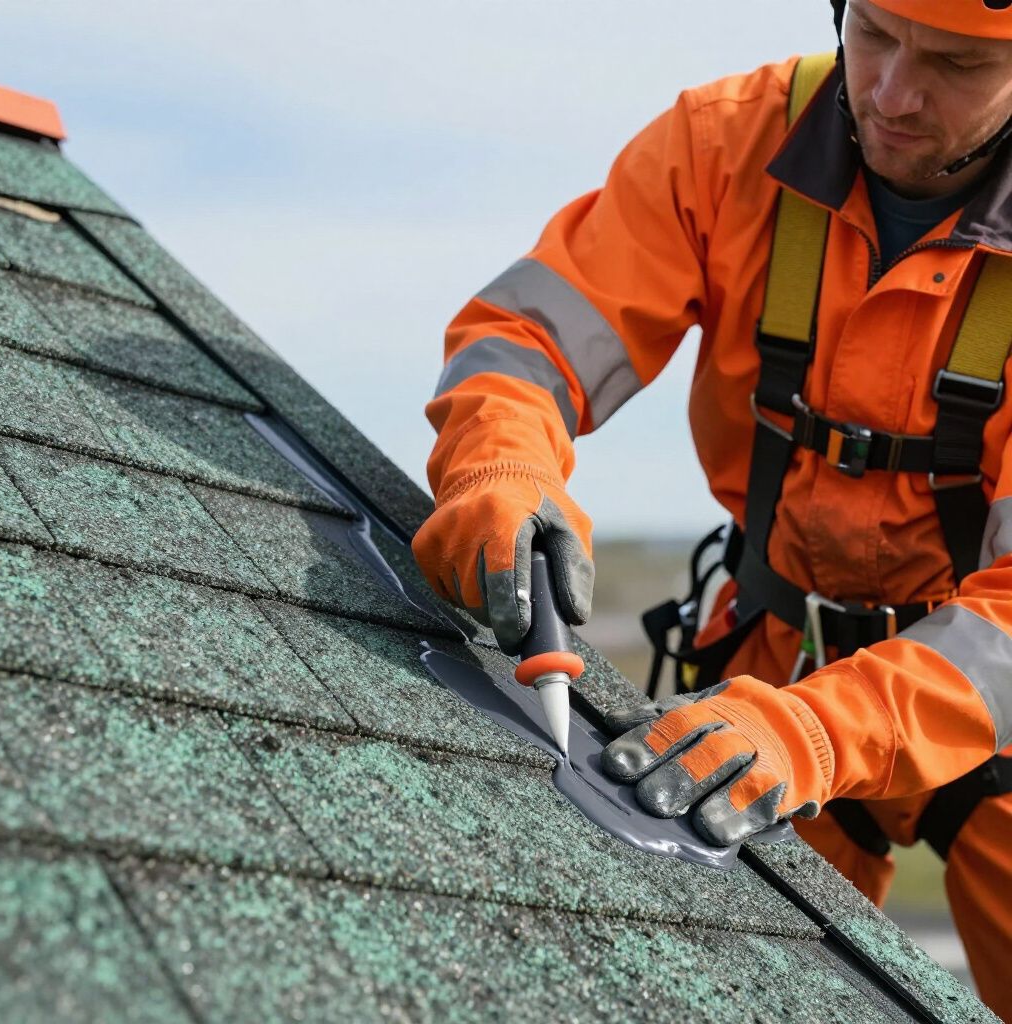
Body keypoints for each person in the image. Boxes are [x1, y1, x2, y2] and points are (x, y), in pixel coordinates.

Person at [412, 1, 1012, 1015]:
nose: (893, 93)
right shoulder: (726, 142)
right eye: (871, 32)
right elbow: (531, 340)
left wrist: (818, 735)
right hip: (771, 667)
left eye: (953, 64)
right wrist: (497, 468)